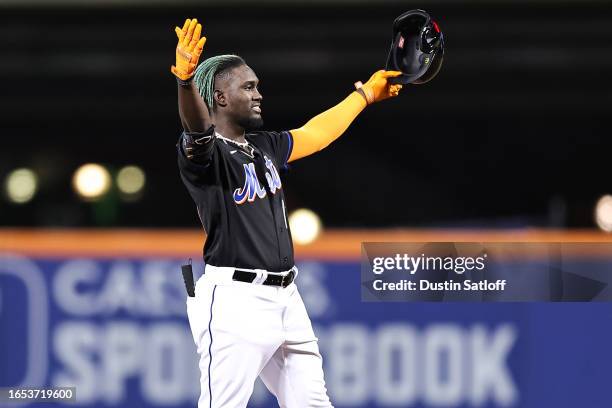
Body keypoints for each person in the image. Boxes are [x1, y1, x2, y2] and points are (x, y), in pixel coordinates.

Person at [172, 17, 402, 408]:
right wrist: (185, 81)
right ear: (221, 99)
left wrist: (363, 96)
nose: (259, 94)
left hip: (287, 297)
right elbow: (197, 129)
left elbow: (316, 132)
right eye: (248, 87)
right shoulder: (206, 155)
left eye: (257, 85)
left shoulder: (265, 146)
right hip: (235, 300)